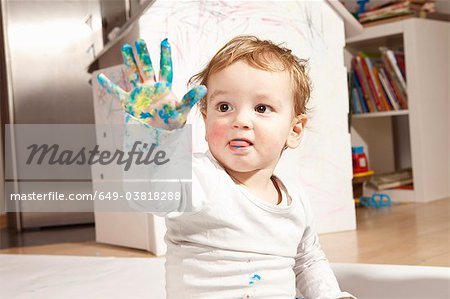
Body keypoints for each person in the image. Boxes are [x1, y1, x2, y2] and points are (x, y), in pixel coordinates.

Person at [97, 35, 354, 299]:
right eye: (224, 107)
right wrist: (151, 133)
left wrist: (330, 296)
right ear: (206, 119)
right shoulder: (201, 178)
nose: (240, 120)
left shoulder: (295, 198)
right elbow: (148, 194)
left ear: (294, 129)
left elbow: (307, 260)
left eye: (262, 108)